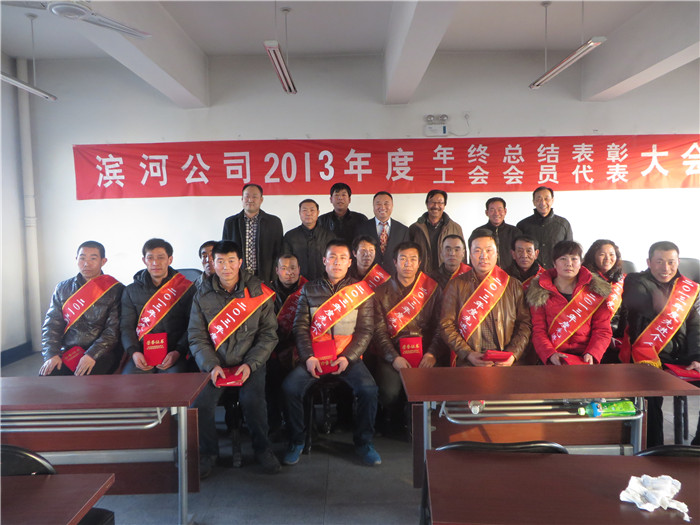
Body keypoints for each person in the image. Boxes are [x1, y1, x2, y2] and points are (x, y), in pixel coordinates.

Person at [282, 240, 380, 467]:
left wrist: (348, 357)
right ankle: (297, 440)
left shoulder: (361, 291)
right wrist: (308, 357)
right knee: (289, 388)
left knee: (369, 390)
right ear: (324, 261)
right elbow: (300, 327)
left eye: (342, 258)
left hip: (347, 357)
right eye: (332, 258)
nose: (337, 262)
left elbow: (366, 330)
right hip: (314, 357)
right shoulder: (309, 289)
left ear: (349, 262)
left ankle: (364, 443)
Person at [189, 240, 280, 476]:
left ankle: (262, 449)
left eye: (231, 261)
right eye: (220, 261)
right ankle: (208, 454)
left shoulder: (258, 291)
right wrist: (211, 365)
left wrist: (250, 364)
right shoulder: (202, 294)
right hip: (215, 364)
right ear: (213, 263)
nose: (226, 267)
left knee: (253, 401)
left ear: (240, 262)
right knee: (201, 404)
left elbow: (269, 335)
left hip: (249, 363)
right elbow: (197, 337)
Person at [622, 241, 700, 447]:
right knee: (650, 395)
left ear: (678, 262)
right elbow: (639, 304)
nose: (665, 268)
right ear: (649, 262)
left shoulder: (687, 289)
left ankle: (697, 446)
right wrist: (662, 304)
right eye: (659, 262)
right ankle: (653, 449)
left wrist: (696, 357)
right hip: (647, 356)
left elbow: (695, 326)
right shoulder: (635, 281)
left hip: (681, 357)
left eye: (671, 262)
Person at [371, 242, 442, 433]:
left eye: (412, 259)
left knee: (430, 387)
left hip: (425, 352)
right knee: (389, 393)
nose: (408, 264)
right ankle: (394, 422)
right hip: (392, 353)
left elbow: (440, 327)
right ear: (395, 262)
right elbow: (379, 332)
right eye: (403, 259)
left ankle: (420, 425)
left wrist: (432, 354)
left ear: (419, 263)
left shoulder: (432, 289)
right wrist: (393, 357)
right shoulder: (380, 292)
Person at [440, 229, 531, 367]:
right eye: (477, 251)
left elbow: (525, 324)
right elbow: (446, 325)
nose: (484, 256)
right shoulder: (456, 285)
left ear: (497, 253)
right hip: (469, 361)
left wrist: (512, 354)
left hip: (506, 361)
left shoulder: (512, 284)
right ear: (470, 254)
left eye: (489, 250)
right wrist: (468, 354)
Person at [40, 241, 124, 376]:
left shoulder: (115, 289)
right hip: (68, 350)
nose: (86, 264)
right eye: (82, 258)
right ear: (76, 259)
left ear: (103, 261)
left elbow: (113, 331)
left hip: (102, 352)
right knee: (48, 375)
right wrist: (52, 354)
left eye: (93, 258)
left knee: (85, 378)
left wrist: (92, 354)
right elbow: (52, 325)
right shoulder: (62, 288)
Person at [526, 240, 612, 365]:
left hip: (586, 358)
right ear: (554, 263)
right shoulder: (539, 291)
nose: (569, 263)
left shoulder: (595, 291)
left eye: (574, 259)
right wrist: (550, 354)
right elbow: (538, 330)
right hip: (554, 358)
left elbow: (602, 330)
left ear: (581, 262)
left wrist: (592, 353)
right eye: (563, 259)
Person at [121, 238, 195, 374]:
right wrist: (134, 352)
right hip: (142, 353)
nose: (155, 263)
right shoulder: (130, 291)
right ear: (144, 260)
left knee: (173, 382)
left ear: (170, 260)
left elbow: (193, 326)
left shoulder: (186, 288)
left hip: (174, 353)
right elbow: (126, 326)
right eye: (150, 258)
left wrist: (178, 351)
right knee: (128, 382)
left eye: (161, 257)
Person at [268, 253, 307, 433]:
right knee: (269, 374)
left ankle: (303, 426)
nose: (289, 272)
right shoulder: (266, 292)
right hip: (275, 348)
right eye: (284, 268)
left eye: (292, 268)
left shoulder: (309, 289)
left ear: (299, 269)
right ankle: (274, 423)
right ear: (277, 271)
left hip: (300, 348)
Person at [222, 183, 284, 283]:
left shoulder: (274, 222)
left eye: (254, 197)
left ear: (261, 200)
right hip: (237, 277)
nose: (250, 200)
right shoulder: (230, 223)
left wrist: (274, 277)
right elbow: (225, 252)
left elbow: (279, 252)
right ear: (242, 199)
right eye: (247, 196)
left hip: (266, 277)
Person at [583, 239, 626, 363]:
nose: (608, 258)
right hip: (591, 336)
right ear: (593, 256)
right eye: (602, 254)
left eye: (612, 254)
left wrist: (620, 337)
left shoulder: (622, 280)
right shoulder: (584, 278)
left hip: (616, 337)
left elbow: (625, 312)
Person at [516, 186, 573, 269]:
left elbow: (570, 252)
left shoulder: (563, 224)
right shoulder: (523, 225)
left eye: (546, 199)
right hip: (531, 273)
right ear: (534, 202)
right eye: (539, 199)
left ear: (552, 200)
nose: (543, 203)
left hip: (557, 272)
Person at [409, 189, 464, 274]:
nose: (436, 206)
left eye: (440, 203)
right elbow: (408, 254)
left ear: (444, 205)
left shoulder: (455, 228)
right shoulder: (415, 228)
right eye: (432, 202)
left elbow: (462, 255)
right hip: (422, 276)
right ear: (427, 204)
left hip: (447, 276)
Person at [354, 191, 409, 275]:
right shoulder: (361, 228)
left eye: (386, 203)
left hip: (394, 277)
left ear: (392, 206)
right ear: (373, 206)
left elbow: (406, 255)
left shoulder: (403, 230)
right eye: (378, 203)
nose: (382, 207)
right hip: (368, 276)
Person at [282, 199, 336, 281]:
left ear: (318, 212)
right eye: (304, 210)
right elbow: (286, 261)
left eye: (312, 210)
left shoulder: (329, 236)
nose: (308, 213)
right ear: (299, 213)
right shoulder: (290, 236)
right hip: (298, 283)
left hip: (324, 282)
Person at [470, 197, 521, 269]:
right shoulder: (478, 232)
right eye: (492, 210)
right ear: (486, 212)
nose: (496, 213)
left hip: (511, 274)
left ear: (505, 211)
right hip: (486, 273)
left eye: (500, 210)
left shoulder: (515, 232)